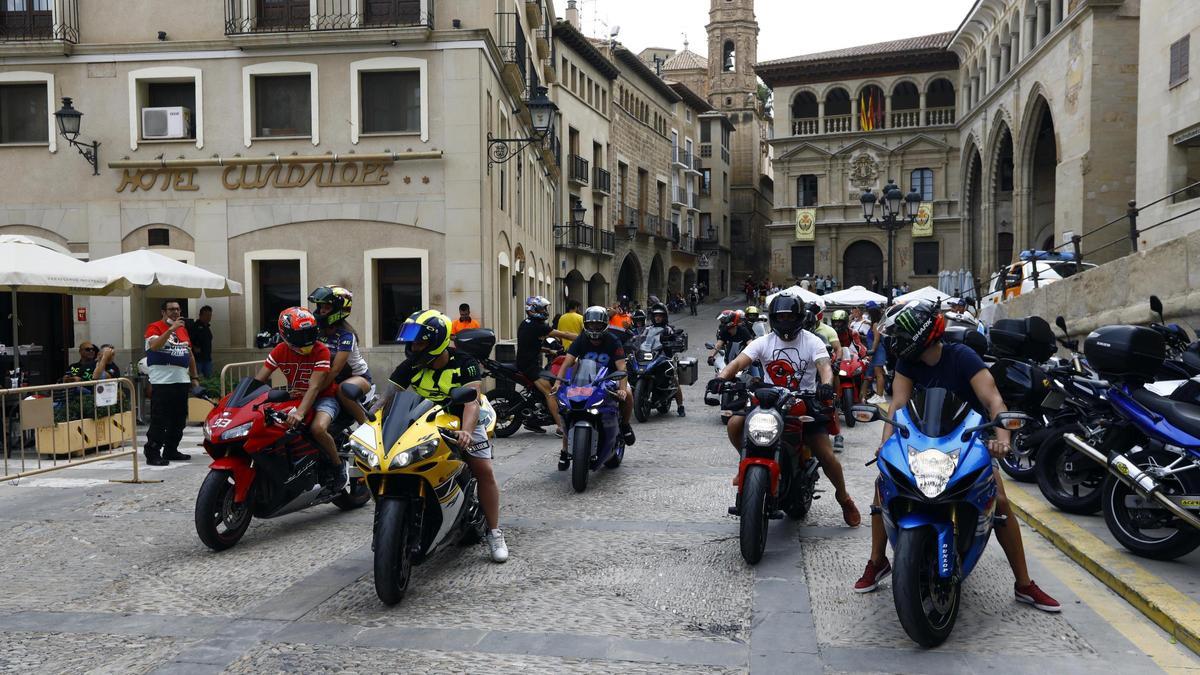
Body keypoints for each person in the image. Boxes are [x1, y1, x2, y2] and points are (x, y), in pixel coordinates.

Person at [852, 300, 1061, 613]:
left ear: (920, 335)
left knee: (999, 500)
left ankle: (1023, 583)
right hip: (922, 440)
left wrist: (1002, 440)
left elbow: (993, 401)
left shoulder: (962, 356)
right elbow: (898, 405)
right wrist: (886, 446)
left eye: (901, 337)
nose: (895, 343)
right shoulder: (908, 363)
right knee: (884, 487)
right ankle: (878, 560)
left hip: (969, 438)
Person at [711, 294, 861, 527]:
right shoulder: (764, 341)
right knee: (735, 424)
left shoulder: (812, 341)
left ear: (799, 318)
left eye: (790, 317)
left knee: (825, 454)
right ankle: (745, 466)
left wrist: (825, 385)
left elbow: (824, 366)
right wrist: (721, 378)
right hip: (769, 400)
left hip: (804, 401)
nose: (785, 321)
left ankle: (843, 497)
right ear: (773, 318)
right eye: (781, 317)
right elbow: (739, 362)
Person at [391, 309, 508, 563]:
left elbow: (472, 401)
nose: (413, 348)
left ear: (436, 341)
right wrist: (369, 420)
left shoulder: (465, 363)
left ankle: (494, 532)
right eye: (412, 343)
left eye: (419, 342)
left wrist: (467, 431)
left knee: (483, 470)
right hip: (424, 422)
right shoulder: (411, 364)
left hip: (461, 421)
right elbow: (388, 398)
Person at [254, 307, 348, 491]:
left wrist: (300, 413)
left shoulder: (321, 351)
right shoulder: (280, 350)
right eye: (300, 335)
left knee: (318, 429)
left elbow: (315, 387)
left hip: (324, 397)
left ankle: (338, 467)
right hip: (295, 397)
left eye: (309, 333)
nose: (306, 340)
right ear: (286, 334)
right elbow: (258, 381)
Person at [554, 306, 636, 469]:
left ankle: (625, 425)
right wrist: (558, 383)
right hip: (584, 379)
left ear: (604, 324)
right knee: (568, 411)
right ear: (585, 324)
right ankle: (564, 450)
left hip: (610, 378)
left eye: (598, 325)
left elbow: (621, 367)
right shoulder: (581, 339)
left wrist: (621, 388)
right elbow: (567, 363)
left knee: (628, 394)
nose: (594, 328)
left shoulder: (613, 340)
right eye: (591, 324)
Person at [143, 300, 201, 466]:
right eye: (171, 309)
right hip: (162, 382)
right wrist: (170, 329)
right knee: (160, 419)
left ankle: (171, 449)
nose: (175, 312)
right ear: (163, 312)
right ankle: (153, 453)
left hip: (181, 380)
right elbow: (154, 346)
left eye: (177, 309)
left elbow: (189, 354)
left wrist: (194, 378)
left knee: (179, 419)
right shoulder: (154, 327)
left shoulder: (182, 329)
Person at [309, 286, 373, 426]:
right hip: (331, 378)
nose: (322, 311)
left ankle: (366, 426)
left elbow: (335, 369)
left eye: (327, 307)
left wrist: (315, 391)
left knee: (342, 390)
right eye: (321, 306)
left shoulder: (346, 335)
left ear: (339, 309)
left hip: (357, 378)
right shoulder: (318, 331)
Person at [517, 296, 577, 438]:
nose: (545, 311)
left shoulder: (526, 323)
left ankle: (534, 420)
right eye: (543, 308)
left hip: (526, 362)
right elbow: (564, 334)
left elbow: (529, 344)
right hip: (529, 366)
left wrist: (549, 351)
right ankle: (561, 427)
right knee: (550, 392)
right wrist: (584, 337)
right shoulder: (538, 326)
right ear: (534, 309)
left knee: (550, 381)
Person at [647, 302, 686, 417]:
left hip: (665, 357)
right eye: (656, 316)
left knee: (673, 379)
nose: (657, 318)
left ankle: (680, 406)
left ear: (664, 317)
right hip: (650, 356)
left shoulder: (668, 329)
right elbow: (639, 337)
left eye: (660, 316)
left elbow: (676, 338)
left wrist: (677, 340)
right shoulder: (648, 329)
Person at [865, 303, 887, 404]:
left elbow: (876, 339)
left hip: (878, 351)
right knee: (878, 373)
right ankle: (879, 394)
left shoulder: (875, 324)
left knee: (878, 374)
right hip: (877, 351)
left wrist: (872, 352)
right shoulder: (875, 323)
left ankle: (880, 396)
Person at [186, 306, 214, 378]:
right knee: (198, 378)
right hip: (198, 359)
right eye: (206, 315)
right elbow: (189, 340)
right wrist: (194, 347)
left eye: (210, 315)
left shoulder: (207, 327)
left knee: (209, 378)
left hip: (207, 358)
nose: (208, 317)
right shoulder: (195, 326)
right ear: (200, 315)